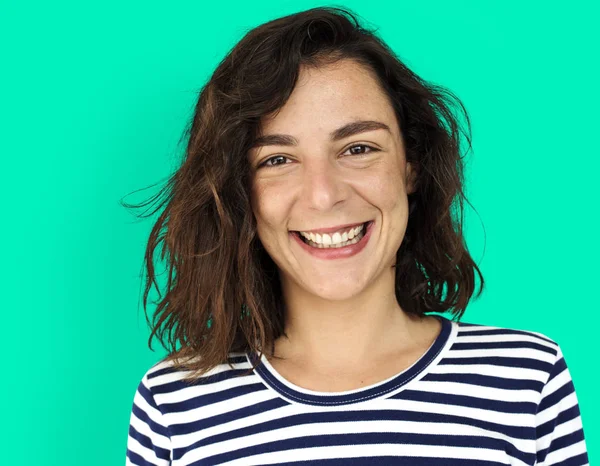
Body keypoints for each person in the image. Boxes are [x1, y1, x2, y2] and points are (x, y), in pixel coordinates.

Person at [124, 6, 589, 465]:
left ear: (411, 165)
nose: (323, 195)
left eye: (358, 148)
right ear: (240, 192)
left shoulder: (526, 379)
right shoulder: (175, 403)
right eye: (278, 160)